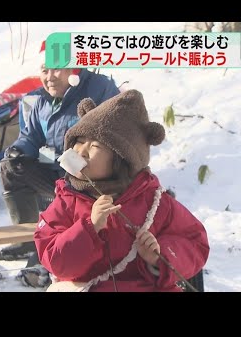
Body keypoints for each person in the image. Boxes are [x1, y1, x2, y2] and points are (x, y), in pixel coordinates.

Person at [34, 90, 210, 292]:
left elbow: (196, 242)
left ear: (121, 159)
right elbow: (56, 262)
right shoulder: (66, 201)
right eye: (79, 141)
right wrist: (88, 227)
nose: (81, 151)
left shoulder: (155, 202)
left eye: (95, 146)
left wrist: (159, 255)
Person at [0, 40, 120, 261]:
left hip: (92, 179)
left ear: (73, 69)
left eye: (56, 68)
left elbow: (110, 135)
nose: (49, 76)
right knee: (11, 167)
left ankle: (67, 249)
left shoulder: (99, 89)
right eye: (44, 70)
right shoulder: (41, 100)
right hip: (57, 170)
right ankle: (27, 242)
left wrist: (73, 158)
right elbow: (31, 137)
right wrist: (18, 150)